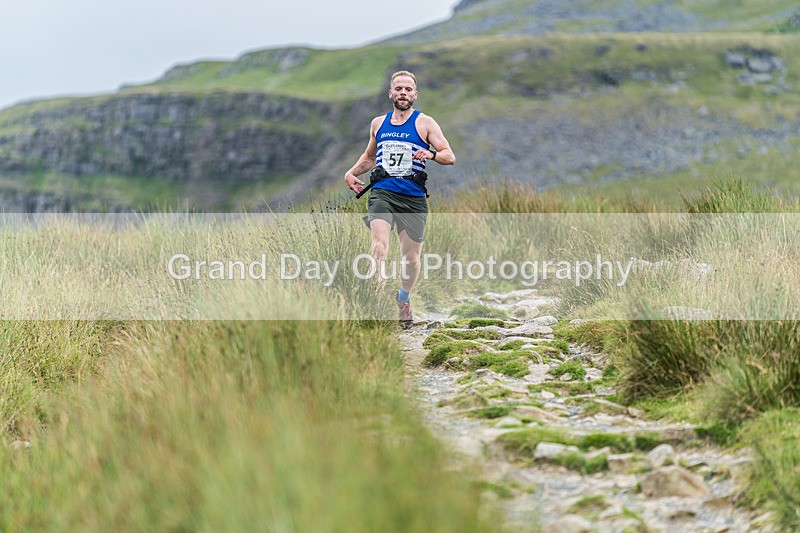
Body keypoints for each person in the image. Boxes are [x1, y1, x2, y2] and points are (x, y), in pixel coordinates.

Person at [344, 70, 455, 329]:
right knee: (379, 247)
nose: (403, 93)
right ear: (390, 93)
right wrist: (351, 172)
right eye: (398, 88)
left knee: (411, 259)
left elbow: (449, 156)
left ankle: (403, 298)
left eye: (408, 89)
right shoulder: (378, 124)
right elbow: (370, 157)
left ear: (415, 95)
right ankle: (376, 302)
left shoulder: (425, 123)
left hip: (413, 197)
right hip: (382, 192)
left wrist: (429, 154)